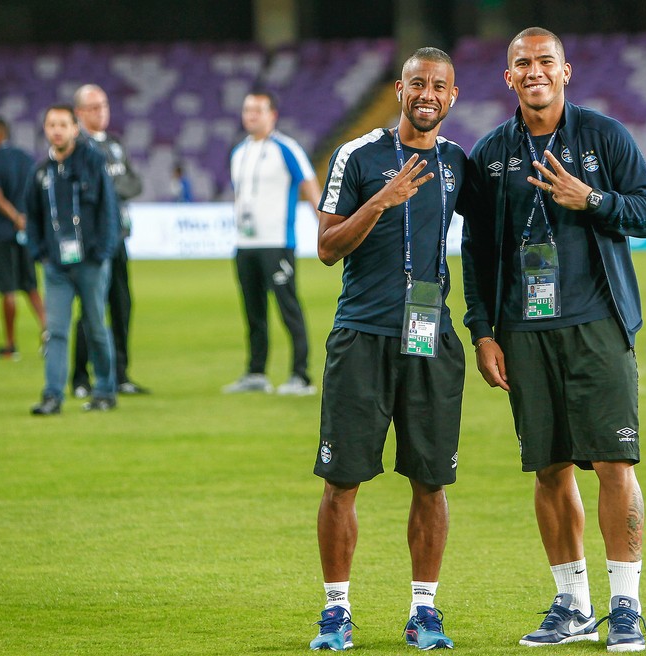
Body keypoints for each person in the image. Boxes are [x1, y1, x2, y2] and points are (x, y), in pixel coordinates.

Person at [460, 28, 646, 652]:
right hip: (524, 333)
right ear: (508, 78)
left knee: (614, 463)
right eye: (521, 63)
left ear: (565, 71)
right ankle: (572, 605)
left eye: (544, 61)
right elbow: (476, 251)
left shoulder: (605, 137)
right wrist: (483, 331)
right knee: (549, 470)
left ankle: (625, 604)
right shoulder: (492, 153)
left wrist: (593, 199)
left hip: (598, 324)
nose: (533, 71)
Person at [309, 47, 465, 651]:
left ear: (452, 98)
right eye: (417, 84)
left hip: (428, 337)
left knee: (431, 481)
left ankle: (424, 612)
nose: (427, 94)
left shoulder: (457, 163)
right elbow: (326, 248)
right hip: (363, 336)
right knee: (341, 481)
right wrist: (380, 201)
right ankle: (336, 612)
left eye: (439, 87)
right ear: (400, 91)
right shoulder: (359, 155)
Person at [223, 89, 319, 395]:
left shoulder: (286, 148)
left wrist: (326, 229)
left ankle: (300, 375)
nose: (250, 115)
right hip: (245, 243)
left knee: (287, 306)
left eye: (257, 110)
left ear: (272, 115)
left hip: (277, 242)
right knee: (253, 311)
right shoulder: (239, 152)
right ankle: (256, 373)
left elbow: (310, 185)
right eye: (247, 109)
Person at [25, 104, 118, 415]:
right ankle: (52, 395)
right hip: (57, 267)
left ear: (75, 129)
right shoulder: (40, 172)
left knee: (95, 327)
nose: (57, 130)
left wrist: (102, 252)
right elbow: (33, 218)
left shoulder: (93, 162)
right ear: (45, 129)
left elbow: (109, 208)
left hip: (90, 263)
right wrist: (41, 254)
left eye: (63, 124)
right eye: (51, 124)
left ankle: (105, 389)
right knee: (57, 331)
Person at [70, 84, 149, 397]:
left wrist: (108, 189)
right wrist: (109, 189)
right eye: (92, 106)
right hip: (92, 242)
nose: (100, 111)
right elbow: (86, 191)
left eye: (103, 104)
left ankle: (120, 375)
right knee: (90, 309)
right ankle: (80, 377)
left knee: (121, 307)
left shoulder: (114, 144)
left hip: (118, 239)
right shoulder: (78, 147)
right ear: (79, 113)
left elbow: (135, 182)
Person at [0, 113, 46, 359]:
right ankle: (48, 333)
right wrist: (27, 219)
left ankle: (10, 345)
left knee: (7, 288)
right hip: (25, 231)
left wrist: (15, 217)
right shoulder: (26, 158)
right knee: (31, 285)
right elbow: (37, 190)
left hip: (3, 231)